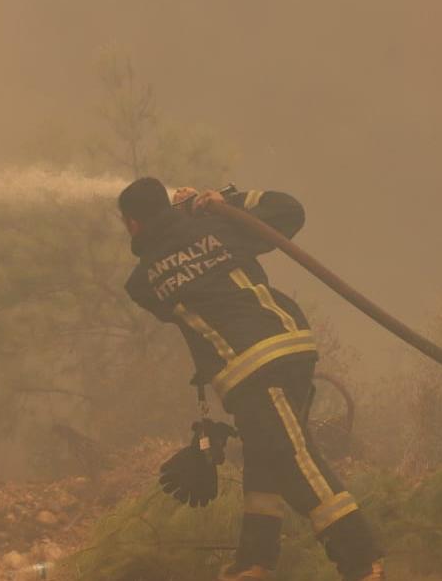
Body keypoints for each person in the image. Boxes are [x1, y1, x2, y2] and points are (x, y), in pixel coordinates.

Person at [118, 177, 384, 581]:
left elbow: (173, 295)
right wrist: (224, 202)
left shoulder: (142, 283)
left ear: (132, 224)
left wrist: (194, 215)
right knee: (266, 454)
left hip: (249, 369)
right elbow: (289, 210)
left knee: (293, 459)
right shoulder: (220, 226)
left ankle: (363, 563)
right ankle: (254, 563)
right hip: (291, 344)